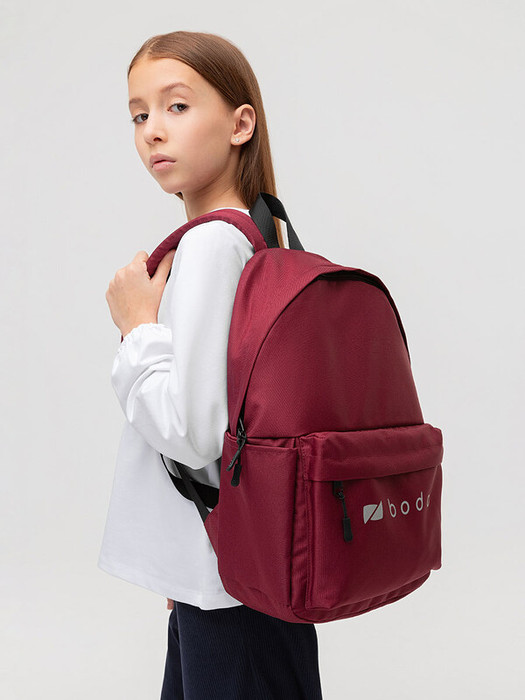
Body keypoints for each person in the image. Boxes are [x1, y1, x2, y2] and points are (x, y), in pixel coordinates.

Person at [98, 30, 324, 699]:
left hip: (230, 588)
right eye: (139, 114)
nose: (152, 130)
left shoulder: (211, 246)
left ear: (239, 124)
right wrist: (186, 559)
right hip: (234, 569)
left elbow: (194, 433)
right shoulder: (262, 234)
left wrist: (137, 327)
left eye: (177, 106)